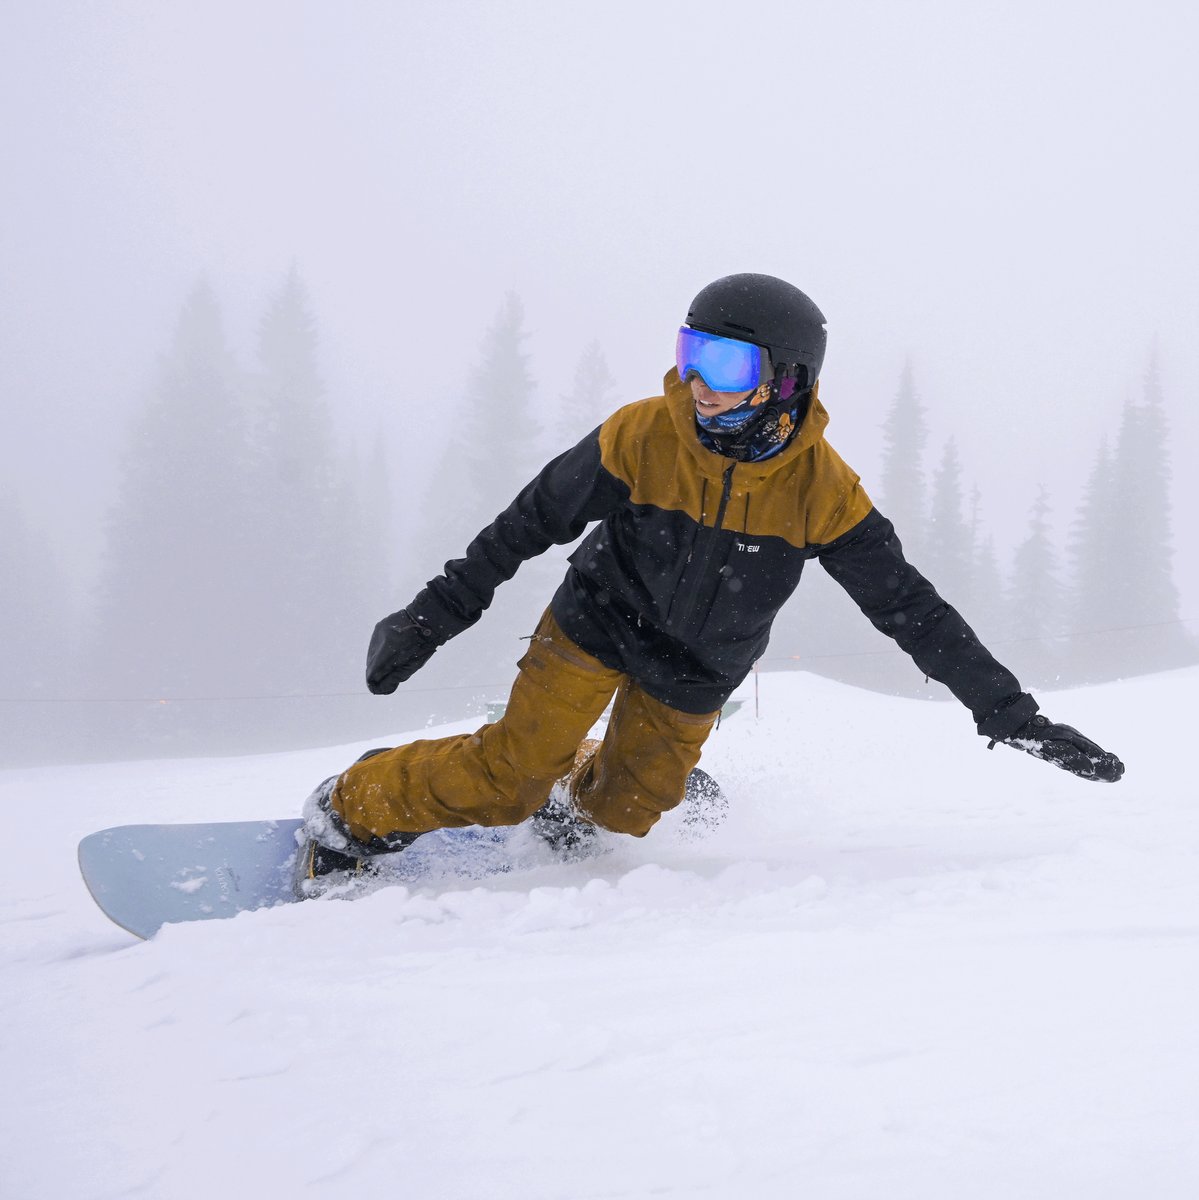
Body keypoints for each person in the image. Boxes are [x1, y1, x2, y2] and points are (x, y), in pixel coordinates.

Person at [297, 273, 1124, 885]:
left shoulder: (823, 496)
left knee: (621, 815)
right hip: (596, 620)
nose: (696, 386)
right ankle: (348, 809)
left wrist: (1010, 714)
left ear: (786, 379)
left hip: (697, 664)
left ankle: (575, 779)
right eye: (691, 356)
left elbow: (912, 612)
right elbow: (526, 523)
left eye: (723, 365)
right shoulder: (640, 436)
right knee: (507, 779)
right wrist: (430, 617)